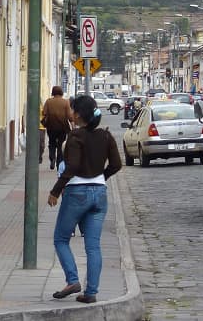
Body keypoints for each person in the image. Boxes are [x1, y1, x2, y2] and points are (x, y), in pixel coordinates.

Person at [47, 95, 122, 304]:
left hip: (76, 193)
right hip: (99, 194)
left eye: (72, 110)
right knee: (93, 245)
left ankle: (72, 280)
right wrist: (100, 178)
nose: (70, 113)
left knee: (61, 239)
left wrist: (55, 191)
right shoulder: (106, 136)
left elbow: (72, 167)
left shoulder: (75, 136)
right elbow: (116, 164)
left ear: (78, 114)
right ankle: (91, 292)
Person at [42, 86, 73, 169]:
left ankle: (52, 158)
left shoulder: (48, 102)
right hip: (62, 127)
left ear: (53, 92)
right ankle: (59, 162)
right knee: (60, 144)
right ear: (61, 92)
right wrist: (73, 125)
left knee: (51, 143)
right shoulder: (65, 102)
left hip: (51, 126)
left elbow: (44, 113)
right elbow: (69, 116)